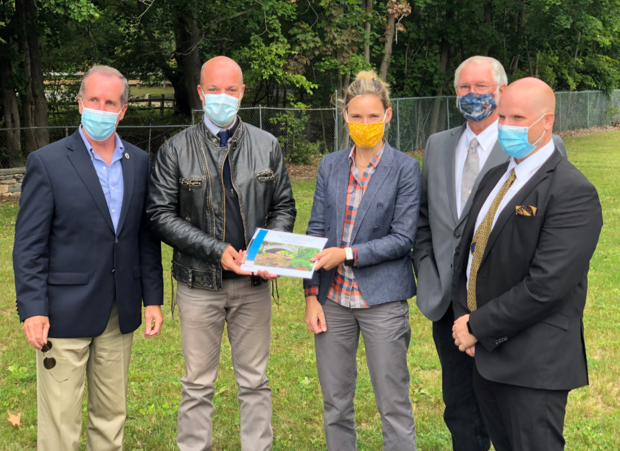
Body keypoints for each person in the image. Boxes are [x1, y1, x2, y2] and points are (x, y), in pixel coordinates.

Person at [411, 56, 567, 451]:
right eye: (464, 87)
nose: (472, 95)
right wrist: (431, 275)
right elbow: (426, 220)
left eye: (481, 87)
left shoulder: (534, 148)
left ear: (501, 90)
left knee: (513, 415)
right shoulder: (438, 145)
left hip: (508, 308)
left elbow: (547, 228)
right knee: (461, 408)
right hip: (450, 305)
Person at [146, 56, 296, 451]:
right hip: (198, 284)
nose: (223, 97)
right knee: (197, 382)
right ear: (200, 92)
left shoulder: (268, 146)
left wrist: (269, 255)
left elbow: (284, 206)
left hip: (253, 285)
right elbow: (159, 215)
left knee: (255, 380)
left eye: (231, 89)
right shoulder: (175, 150)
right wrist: (216, 251)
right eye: (214, 89)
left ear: (242, 92)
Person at [13, 65, 164, 451]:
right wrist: (33, 309)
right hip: (64, 312)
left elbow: (144, 237)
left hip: (119, 310)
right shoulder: (47, 163)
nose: (101, 108)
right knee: (61, 422)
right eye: (93, 99)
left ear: (123, 110)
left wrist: (154, 299)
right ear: (80, 104)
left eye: (110, 102)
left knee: (111, 415)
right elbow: (29, 244)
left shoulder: (140, 162)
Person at [451, 77, 603, 451]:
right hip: (485, 353)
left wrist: (477, 325)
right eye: (502, 116)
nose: (507, 126)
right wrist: (467, 323)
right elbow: (468, 255)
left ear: (546, 122)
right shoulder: (494, 178)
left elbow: (546, 286)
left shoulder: (571, 191)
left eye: (519, 118)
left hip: (533, 364)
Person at [304, 71, 420, 451]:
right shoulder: (330, 164)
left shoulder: (405, 168)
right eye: (357, 116)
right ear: (345, 117)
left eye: (373, 116)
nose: (364, 124)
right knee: (335, 403)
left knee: (393, 404)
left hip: (381, 300)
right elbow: (316, 230)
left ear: (388, 116)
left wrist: (348, 254)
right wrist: (310, 296)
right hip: (333, 301)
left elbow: (403, 239)